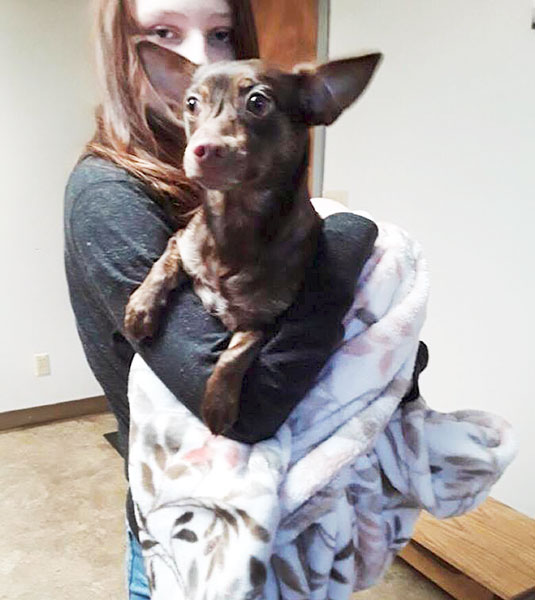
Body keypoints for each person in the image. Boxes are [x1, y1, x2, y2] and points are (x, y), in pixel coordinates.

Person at [63, 0, 428, 598]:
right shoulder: (108, 196)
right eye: (164, 33)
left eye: (222, 33)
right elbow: (248, 410)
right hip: (191, 529)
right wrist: (346, 240)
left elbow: (379, 353)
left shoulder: (247, 193)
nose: (200, 60)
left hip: (294, 522)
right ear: (132, 57)